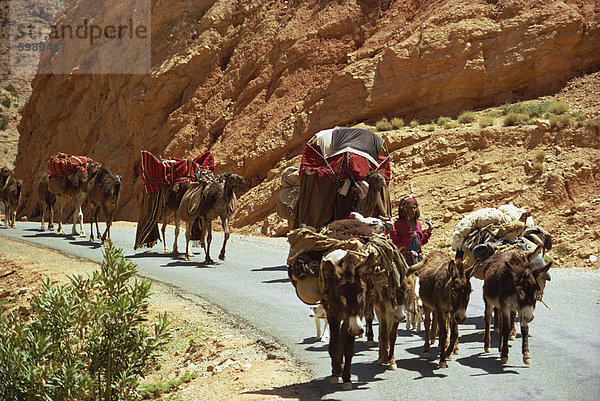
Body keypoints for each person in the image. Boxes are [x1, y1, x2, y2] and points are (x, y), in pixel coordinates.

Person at [390, 196, 433, 265]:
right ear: (404, 209)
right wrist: (392, 228)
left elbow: (421, 241)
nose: (412, 210)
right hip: (404, 260)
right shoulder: (398, 224)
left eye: (414, 208)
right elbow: (395, 242)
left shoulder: (418, 224)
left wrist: (429, 229)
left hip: (418, 258)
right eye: (409, 208)